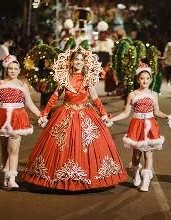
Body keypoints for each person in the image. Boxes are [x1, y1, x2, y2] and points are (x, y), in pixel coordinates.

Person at [22, 46, 127, 191]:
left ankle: (88, 179)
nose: (78, 62)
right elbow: (54, 97)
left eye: (81, 59)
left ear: (85, 63)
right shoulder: (64, 77)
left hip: (86, 114)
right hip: (66, 113)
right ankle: (60, 179)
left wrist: (103, 114)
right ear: (71, 62)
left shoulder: (88, 79)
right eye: (76, 59)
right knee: (62, 146)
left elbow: (95, 99)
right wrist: (44, 113)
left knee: (87, 145)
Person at [111, 63, 171, 192]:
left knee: (148, 153)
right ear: (137, 80)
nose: (145, 81)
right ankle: (136, 174)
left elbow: (157, 112)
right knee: (136, 154)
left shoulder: (154, 94)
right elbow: (125, 113)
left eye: (147, 78)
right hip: (137, 125)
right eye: (142, 78)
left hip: (150, 125)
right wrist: (112, 119)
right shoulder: (132, 94)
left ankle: (146, 180)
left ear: (151, 79)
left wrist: (168, 116)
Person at [0, 55, 41, 190]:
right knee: (4, 150)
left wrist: (40, 116)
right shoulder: (0, 83)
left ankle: (12, 179)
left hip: (17, 118)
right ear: (6, 69)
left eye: (15, 69)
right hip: (1, 117)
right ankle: (6, 176)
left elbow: (29, 104)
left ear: (19, 71)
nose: (12, 71)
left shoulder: (23, 85)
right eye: (10, 68)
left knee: (13, 149)